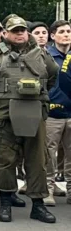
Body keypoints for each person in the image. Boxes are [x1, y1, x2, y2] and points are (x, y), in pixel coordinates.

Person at [0, 15, 57, 223]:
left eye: (22, 30)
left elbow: (52, 77)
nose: (19, 34)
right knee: (5, 160)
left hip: (34, 116)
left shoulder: (41, 54)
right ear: (6, 33)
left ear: (27, 33)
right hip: (5, 117)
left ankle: (38, 204)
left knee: (38, 161)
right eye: (14, 31)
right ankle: (5, 203)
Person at [44, 20, 71, 205]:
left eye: (69, 31)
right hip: (52, 114)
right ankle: (48, 190)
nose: (67, 35)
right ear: (53, 35)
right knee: (48, 154)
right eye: (62, 31)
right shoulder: (46, 55)